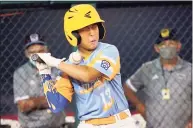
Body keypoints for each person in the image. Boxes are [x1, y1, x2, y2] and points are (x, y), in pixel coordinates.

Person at [32, 4, 137, 128]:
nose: (92, 33)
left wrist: (55, 62)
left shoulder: (108, 51)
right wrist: (44, 72)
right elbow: (56, 105)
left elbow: (88, 75)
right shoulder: (69, 67)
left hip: (119, 122)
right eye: (86, 29)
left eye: (94, 27)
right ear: (73, 34)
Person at [123, 28, 192, 128]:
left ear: (178, 46)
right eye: (163, 45)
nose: (167, 47)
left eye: (171, 43)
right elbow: (127, 88)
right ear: (156, 48)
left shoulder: (189, 69)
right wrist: (139, 105)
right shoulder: (147, 68)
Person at [13, 33, 66, 128]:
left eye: (41, 51)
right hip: (30, 126)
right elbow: (24, 106)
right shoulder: (20, 72)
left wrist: (34, 102)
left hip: (57, 125)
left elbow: (63, 99)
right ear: (26, 54)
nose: (37, 55)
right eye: (33, 52)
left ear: (47, 51)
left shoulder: (57, 69)